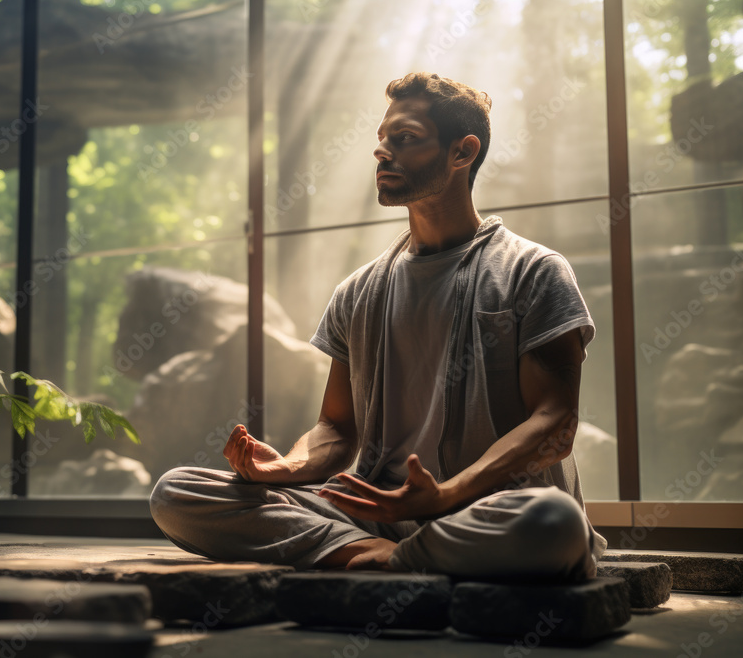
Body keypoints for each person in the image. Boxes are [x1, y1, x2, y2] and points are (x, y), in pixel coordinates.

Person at [149, 72, 607, 580]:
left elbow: (556, 422)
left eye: (405, 139)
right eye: (382, 139)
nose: (382, 152)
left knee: (554, 522)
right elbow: (336, 429)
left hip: (485, 510)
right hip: (373, 511)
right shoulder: (358, 290)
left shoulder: (533, 271)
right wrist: (286, 468)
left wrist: (447, 494)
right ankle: (372, 549)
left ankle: (391, 556)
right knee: (176, 492)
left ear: (462, 152)